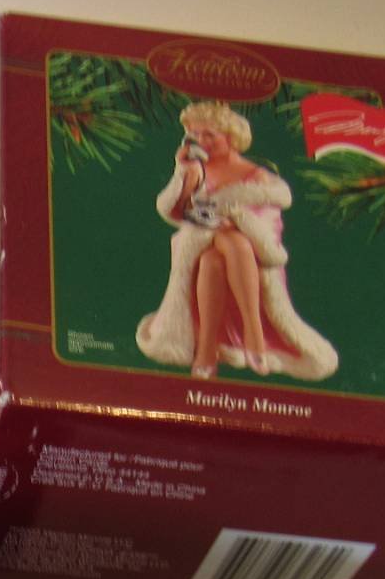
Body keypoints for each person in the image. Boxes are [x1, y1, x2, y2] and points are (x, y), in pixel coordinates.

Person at [136, 101, 338, 381]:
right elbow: (177, 211)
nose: (201, 141)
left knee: (226, 250)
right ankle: (242, 338)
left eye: (209, 134)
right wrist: (184, 171)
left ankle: (220, 343)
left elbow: (269, 237)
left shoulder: (258, 180)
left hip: (251, 257)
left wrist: (237, 219)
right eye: (194, 134)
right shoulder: (196, 169)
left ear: (230, 137)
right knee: (214, 253)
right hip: (199, 247)